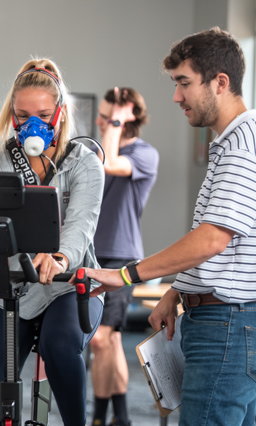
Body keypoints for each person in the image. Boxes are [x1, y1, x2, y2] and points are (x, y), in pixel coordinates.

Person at [84, 27, 256, 426]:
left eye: (184, 83)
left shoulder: (245, 147)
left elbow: (212, 239)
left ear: (220, 83)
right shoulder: (233, 143)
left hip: (231, 323)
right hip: (227, 320)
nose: (176, 96)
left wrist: (125, 274)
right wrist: (177, 293)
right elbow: (226, 247)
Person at [0, 58, 105, 426]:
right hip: (11, 286)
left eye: (43, 113)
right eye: (22, 113)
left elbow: (81, 225)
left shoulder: (84, 164)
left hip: (67, 287)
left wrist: (60, 258)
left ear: (60, 114)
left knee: (58, 346)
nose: (33, 124)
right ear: (11, 116)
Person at [88, 87, 159, 426]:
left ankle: (102, 417)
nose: (101, 122)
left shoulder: (145, 154)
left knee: (101, 339)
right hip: (91, 253)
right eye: (103, 116)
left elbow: (112, 162)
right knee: (109, 341)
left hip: (121, 257)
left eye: (108, 116)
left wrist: (115, 120)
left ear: (127, 117)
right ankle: (120, 417)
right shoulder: (95, 152)